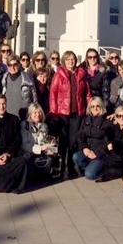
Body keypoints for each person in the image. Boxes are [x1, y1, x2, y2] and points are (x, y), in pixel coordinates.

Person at [48, 50, 91, 179]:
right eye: (68, 59)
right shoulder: (58, 74)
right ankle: (60, 169)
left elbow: (87, 94)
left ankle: (71, 168)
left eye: (73, 59)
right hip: (62, 113)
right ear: (64, 61)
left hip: (77, 113)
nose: (71, 61)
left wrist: (88, 109)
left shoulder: (81, 73)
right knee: (62, 141)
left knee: (73, 141)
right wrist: (54, 112)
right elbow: (53, 94)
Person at [73, 97, 112, 181]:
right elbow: (80, 136)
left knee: (89, 175)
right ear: (89, 108)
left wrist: (97, 153)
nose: (95, 108)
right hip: (88, 151)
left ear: (101, 107)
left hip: (100, 155)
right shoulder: (86, 120)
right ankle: (91, 166)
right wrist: (84, 148)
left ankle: (104, 170)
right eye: (92, 106)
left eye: (97, 106)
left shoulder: (107, 122)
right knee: (76, 157)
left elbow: (109, 143)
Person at [20, 103, 59, 182]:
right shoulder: (24, 125)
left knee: (55, 152)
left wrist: (52, 149)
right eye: (35, 112)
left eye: (39, 112)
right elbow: (25, 145)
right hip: (28, 155)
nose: (38, 115)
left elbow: (45, 143)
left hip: (41, 155)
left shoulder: (44, 126)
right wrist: (41, 148)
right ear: (30, 114)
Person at [1, 54, 37, 120]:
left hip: (24, 116)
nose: (12, 67)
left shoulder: (27, 78)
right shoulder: (4, 78)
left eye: (15, 64)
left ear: (19, 64)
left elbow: (34, 97)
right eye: (10, 65)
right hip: (8, 116)